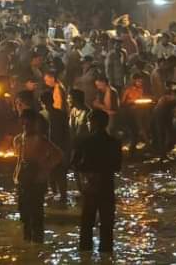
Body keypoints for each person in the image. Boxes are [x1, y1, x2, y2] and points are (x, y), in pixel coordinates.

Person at [71, 109, 123, 253]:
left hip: (90, 186)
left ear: (92, 123)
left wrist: (85, 173)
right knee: (107, 225)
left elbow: (74, 163)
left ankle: (85, 256)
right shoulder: (114, 143)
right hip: (107, 186)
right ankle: (106, 255)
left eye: (89, 121)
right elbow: (117, 167)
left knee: (86, 225)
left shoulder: (84, 142)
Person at [14, 108, 63, 243]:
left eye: (29, 123)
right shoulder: (18, 139)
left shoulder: (41, 140)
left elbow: (58, 155)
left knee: (36, 210)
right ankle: (27, 238)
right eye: (24, 122)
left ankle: (37, 240)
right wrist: (16, 176)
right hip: (23, 177)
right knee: (23, 209)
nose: (26, 125)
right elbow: (19, 160)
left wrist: (45, 168)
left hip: (37, 178)